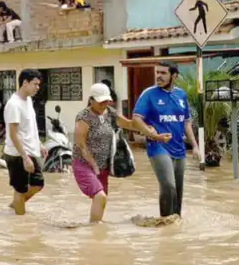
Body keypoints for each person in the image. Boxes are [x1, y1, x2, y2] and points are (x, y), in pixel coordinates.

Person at [73, 83, 170, 223]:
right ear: (91, 100)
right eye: (100, 102)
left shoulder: (111, 113)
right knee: (100, 196)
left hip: (104, 165)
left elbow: (130, 124)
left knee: (101, 198)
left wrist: (153, 134)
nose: (104, 104)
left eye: (106, 101)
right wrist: (93, 165)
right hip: (84, 164)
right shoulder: (83, 117)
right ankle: (94, 230)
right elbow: (80, 145)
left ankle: (95, 232)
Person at [131, 62, 202, 218]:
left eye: (163, 73)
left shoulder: (181, 95)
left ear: (174, 75)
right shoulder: (149, 94)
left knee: (178, 190)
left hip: (179, 148)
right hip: (158, 146)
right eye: (157, 72)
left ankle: (175, 224)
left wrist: (195, 146)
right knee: (168, 186)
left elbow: (186, 122)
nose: (159, 76)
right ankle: (165, 220)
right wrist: (151, 134)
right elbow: (136, 119)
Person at [2, 69, 46, 215]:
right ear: (25, 83)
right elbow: (13, 134)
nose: (37, 88)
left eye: (38, 85)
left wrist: (39, 143)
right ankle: (20, 223)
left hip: (31, 150)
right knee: (20, 189)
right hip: (17, 154)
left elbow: (30, 126)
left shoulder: (27, 100)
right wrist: (25, 157)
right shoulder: (13, 104)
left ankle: (16, 205)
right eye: (35, 84)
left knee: (38, 184)